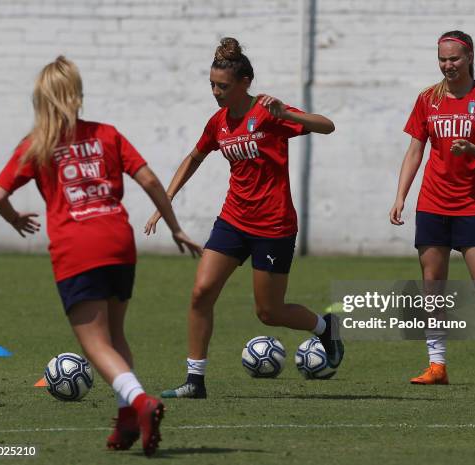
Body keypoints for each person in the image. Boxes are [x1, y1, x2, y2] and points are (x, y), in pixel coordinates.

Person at [0, 56, 203, 455]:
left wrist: (15, 218)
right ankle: (125, 423)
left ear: (41, 100)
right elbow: (151, 180)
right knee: (116, 334)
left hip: (78, 248)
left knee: (94, 344)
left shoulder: (36, 146)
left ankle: (141, 403)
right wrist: (174, 227)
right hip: (119, 242)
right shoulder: (107, 134)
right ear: (77, 95)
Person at [144, 37, 342, 399]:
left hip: (274, 225)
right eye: (212, 85)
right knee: (201, 292)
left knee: (268, 312)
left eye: (223, 86)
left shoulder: (268, 112)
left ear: (244, 82)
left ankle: (324, 328)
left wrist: (288, 114)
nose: (216, 92)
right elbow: (194, 157)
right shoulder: (218, 122)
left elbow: (327, 125)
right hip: (233, 221)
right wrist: (166, 200)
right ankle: (195, 381)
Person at [389, 31, 475, 387]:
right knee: (433, 283)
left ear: (469, 57)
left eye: (454, 58)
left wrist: (474, 151)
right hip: (433, 203)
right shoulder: (427, 99)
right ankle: (437, 365)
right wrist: (401, 195)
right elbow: (415, 150)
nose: (447, 65)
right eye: (442, 59)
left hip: (474, 206)